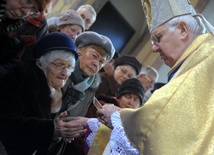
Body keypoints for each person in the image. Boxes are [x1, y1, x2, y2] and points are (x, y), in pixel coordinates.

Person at [96, 0, 214, 154]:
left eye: (158, 38)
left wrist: (118, 116)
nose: (153, 48)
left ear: (183, 29)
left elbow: (161, 124)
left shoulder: (206, 58)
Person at [0, 32, 86, 154]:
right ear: (41, 63)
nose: (65, 72)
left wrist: (60, 135)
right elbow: (7, 124)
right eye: (59, 65)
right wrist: (52, 130)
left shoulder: (62, 90)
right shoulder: (19, 78)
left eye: (69, 67)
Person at [61, 31, 115, 155]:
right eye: (94, 56)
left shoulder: (91, 89)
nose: (96, 63)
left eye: (101, 62)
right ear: (79, 51)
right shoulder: (60, 71)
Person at [64, 78, 145, 155]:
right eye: (128, 97)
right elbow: (82, 135)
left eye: (135, 100)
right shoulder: (102, 107)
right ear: (119, 97)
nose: (130, 102)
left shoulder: (134, 126)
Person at [0, 0, 51, 81]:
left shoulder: (14, 24)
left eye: (33, 9)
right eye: (28, 1)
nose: (26, 12)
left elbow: (15, 63)